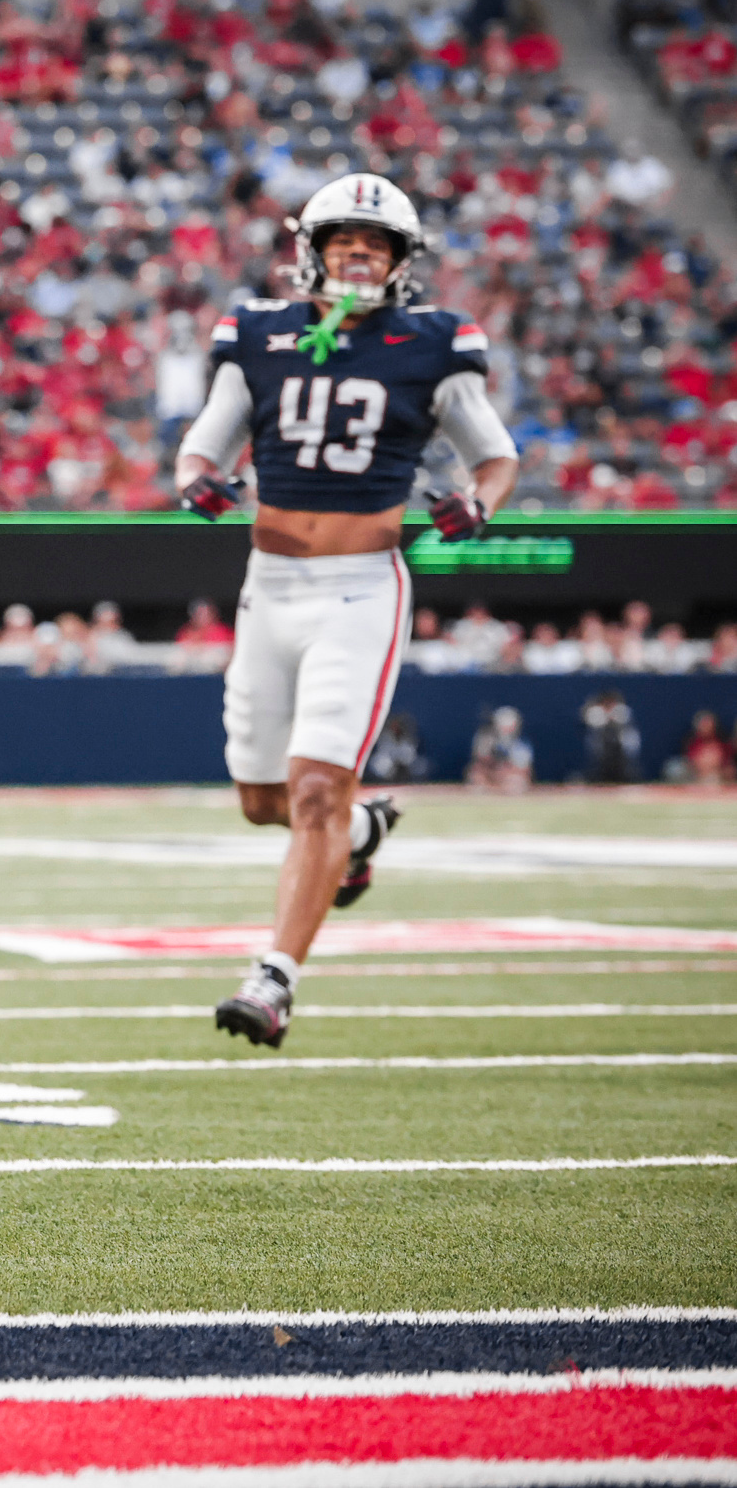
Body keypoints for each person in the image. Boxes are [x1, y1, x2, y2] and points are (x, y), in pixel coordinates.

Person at [177, 173, 521, 1047]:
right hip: (269, 585)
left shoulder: (431, 341)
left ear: (401, 261)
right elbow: (207, 437)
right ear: (312, 252)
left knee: (316, 788)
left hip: (359, 589)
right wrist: (196, 478)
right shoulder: (258, 333)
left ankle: (273, 981)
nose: (359, 256)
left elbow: (494, 455)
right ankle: (362, 832)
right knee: (263, 800)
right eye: (344, 242)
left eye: (375, 245)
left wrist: (478, 503)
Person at [467, 705, 533, 792]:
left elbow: (524, 769)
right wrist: (493, 761)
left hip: (508, 776)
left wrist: (505, 769)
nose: (506, 730)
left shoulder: (521, 744)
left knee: (516, 780)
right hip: (490, 772)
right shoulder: (485, 739)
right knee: (476, 774)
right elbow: (480, 760)